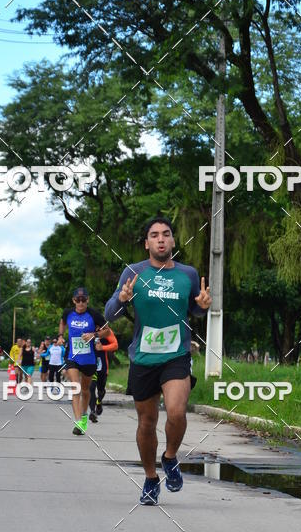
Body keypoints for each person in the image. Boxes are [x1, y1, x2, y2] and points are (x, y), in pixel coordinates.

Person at [104, 216, 211, 505]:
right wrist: (122, 299)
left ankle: (170, 457)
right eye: (155, 235)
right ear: (147, 243)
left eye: (166, 234)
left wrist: (201, 308)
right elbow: (109, 314)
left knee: (176, 411)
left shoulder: (188, 274)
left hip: (176, 354)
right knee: (147, 422)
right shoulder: (133, 272)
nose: (161, 239)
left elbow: (194, 310)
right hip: (143, 356)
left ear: (173, 241)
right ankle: (151, 478)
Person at [59, 288, 106, 435]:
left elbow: (108, 331)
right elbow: (62, 322)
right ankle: (78, 422)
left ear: (87, 300)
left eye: (83, 300)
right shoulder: (68, 313)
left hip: (89, 359)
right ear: (73, 301)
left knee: (86, 390)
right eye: (77, 300)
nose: (80, 303)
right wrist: (60, 336)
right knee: (75, 388)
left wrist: (94, 334)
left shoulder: (94, 315)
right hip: (73, 357)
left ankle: (84, 416)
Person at [89, 327, 118, 422]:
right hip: (90, 363)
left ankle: (99, 401)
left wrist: (102, 348)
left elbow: (115, 345)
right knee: (91, 388)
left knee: (101, 389)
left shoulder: (106, 330)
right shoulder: (88, 328)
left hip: (102, 365)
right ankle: (92, 412)